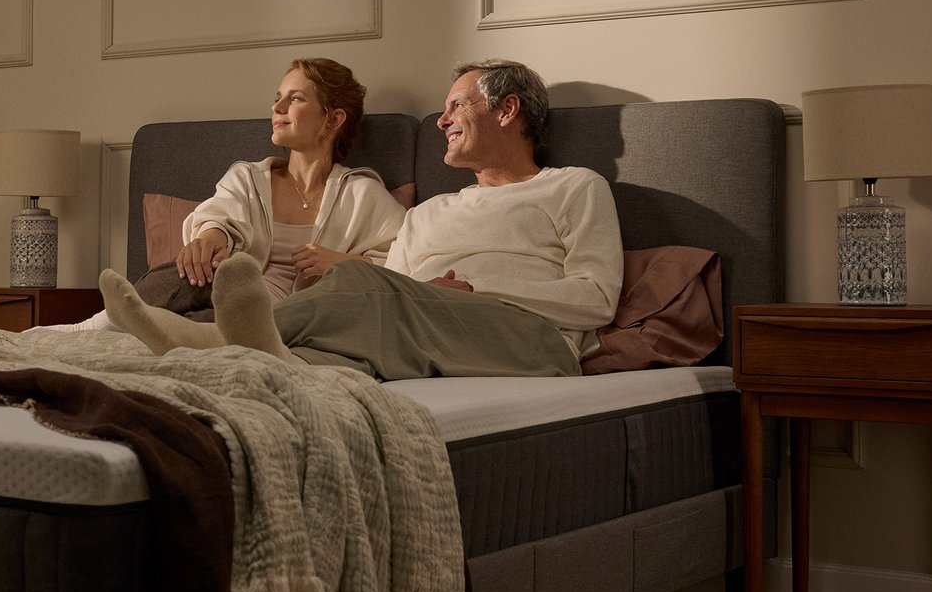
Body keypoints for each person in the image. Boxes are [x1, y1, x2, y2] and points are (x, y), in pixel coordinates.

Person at [101, 59, 622, 379]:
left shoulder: (574, 186)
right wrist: (426, 295)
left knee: (354, 281)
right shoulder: (430, 213)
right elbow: (386, 291)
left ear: (507, 111)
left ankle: (207, 340)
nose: (441, 121)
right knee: (332, 359)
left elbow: (597, 298)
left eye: (457, 106)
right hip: (421, 332)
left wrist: (475, 292)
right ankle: (236, 358)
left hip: (531, 341)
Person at [53, 57, 406, 329]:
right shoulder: (249, 178)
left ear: (333, 119)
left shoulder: (362, 194)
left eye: (295, 99)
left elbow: (408, 265)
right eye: (277, 97)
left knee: (209, 324)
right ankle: (94, 329)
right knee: (192, 276)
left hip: (293, 321)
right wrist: (209, 237)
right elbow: (219, 213)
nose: (277, 108)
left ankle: (156, 334)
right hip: (227, 298)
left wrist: (344, 263)